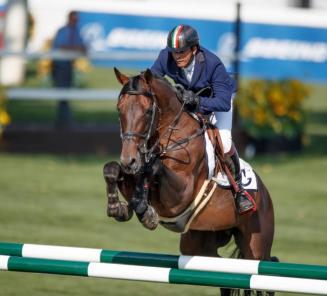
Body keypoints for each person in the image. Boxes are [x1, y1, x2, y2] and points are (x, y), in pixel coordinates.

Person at [151, 24, 255, 215]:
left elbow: (223, 102)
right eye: (174, 52)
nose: (177, 56)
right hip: (190, 100)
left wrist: (198, 101)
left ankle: (239, 190)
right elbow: (151, 82)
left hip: (217, 102)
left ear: (194, 48)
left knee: (223, 142)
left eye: (182, 51)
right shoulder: (166, 56)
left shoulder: (212, 64)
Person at [51, 11, 86, 128]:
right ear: (69, 19)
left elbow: (83, 48)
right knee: (63, 94)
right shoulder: (63, 31)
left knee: (65, 94)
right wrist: (76, 48)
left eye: (76, 20)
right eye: (73, 19)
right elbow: (62, 47)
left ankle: (62, 121)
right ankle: (64, 121)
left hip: (69, 66)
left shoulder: (76, 32)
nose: (75, 22)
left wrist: (75, 48)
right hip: (59, 66)